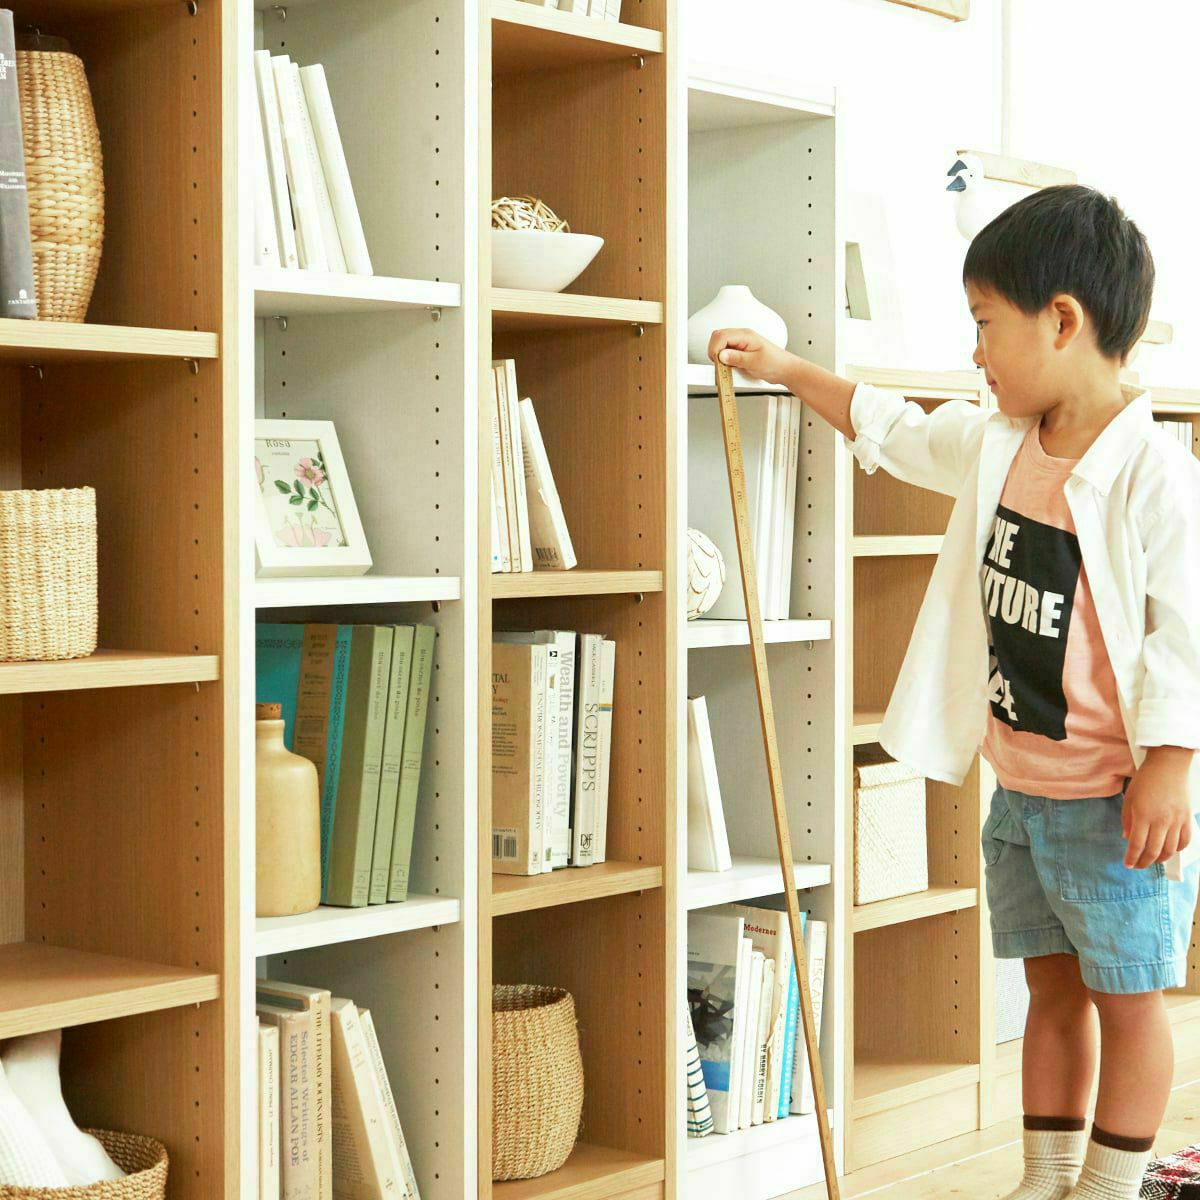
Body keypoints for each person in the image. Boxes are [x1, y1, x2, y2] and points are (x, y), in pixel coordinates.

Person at [709, 183, 1200, 1200]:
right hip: (1022, 794)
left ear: (1061, 320)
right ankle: (1047, 1176)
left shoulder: (1157, 475)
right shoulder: (997, 445)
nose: (975, 353)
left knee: (1129, 1003)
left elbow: (1186, 634)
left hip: (1115, 804)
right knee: (1049, 992)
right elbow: (891, 427)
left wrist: (1170, 765)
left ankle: (1108, 1187)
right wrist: (786, 368)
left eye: (984, 325)